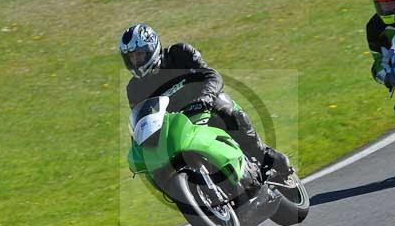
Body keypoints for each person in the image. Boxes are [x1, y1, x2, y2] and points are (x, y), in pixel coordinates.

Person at [120, 23, 291, 177]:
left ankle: (263, 155)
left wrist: (205, 98)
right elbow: (141, 120)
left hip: (204, 105)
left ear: (152, 48)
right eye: (131, 57)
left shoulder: (180, 53)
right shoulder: (134, 89)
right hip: (177, 127)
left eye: (139, 54)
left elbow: (212, 75)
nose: (136, 61)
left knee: (226, 109)